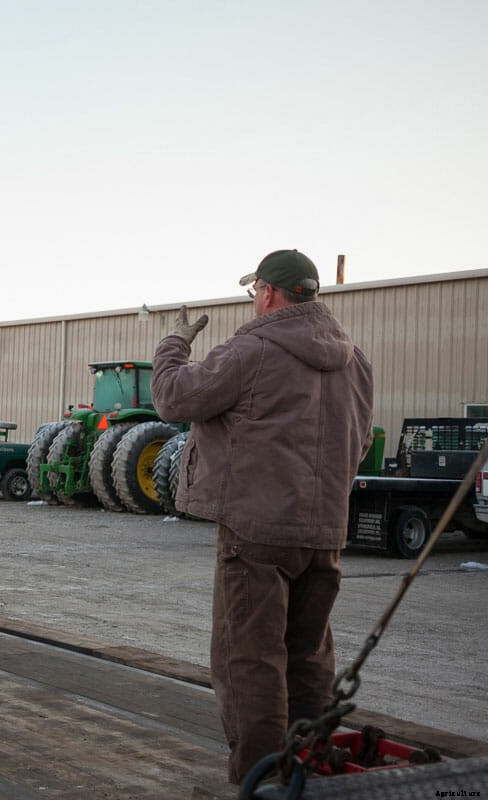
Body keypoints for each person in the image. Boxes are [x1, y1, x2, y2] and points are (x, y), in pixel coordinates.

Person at [150, 249, 374, 785]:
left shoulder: (252, 350)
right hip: (324, 536)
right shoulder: (354, 360)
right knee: (309, 659)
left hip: (256, 535)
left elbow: (174, 398)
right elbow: (359, 442)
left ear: (268, 293)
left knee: (251, 661)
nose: (253, 300)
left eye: (254, 291)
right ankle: (310, 773)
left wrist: (174, 344)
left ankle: (262, 780)